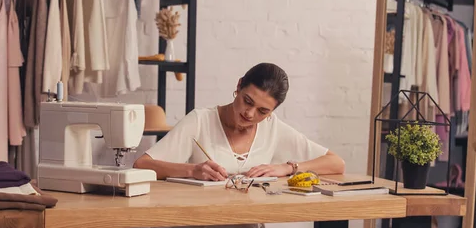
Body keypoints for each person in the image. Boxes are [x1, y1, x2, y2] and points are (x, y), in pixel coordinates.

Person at [134, 62, 345, 182]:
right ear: (239, 85)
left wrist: (288, 167)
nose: (250, 114)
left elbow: (336, 163)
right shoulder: (200, 121)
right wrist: (192, 170)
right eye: (247, 101)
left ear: (272, 111)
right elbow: (141, 164)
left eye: (263, 111)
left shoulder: (272, 128)